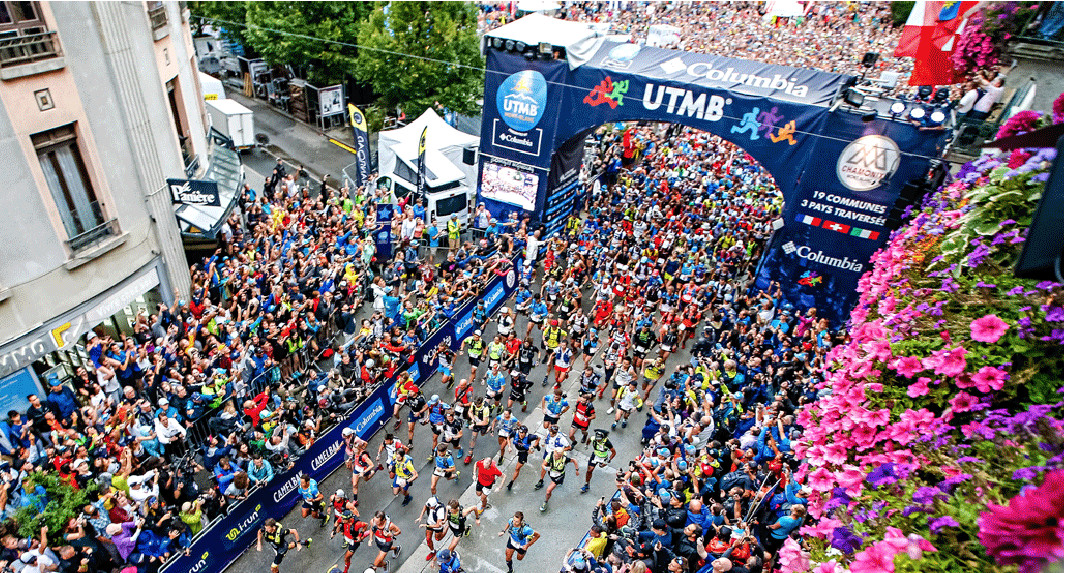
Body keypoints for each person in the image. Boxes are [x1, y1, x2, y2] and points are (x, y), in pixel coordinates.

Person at [581, 429, 616, 493]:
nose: (597, 440)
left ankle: (601, 464)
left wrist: (607, 461)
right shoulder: (594, 438)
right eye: (597, 439)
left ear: (603, 438)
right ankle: (586, 484)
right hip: (595, 456)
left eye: (599, 439)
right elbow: (589, 439)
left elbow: (614, 453)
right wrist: (586, 445)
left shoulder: (607, 443)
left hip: (603, 457)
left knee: (601, 466)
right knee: (589, 470)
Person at [505, 425, 539, 490]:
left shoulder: (529, 437)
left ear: (525, 433)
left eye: (523, 433)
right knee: (517, 468)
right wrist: (509, 446)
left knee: (517, 468)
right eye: (520, 432)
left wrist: (534, 446)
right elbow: (508, 437)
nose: (521, 434)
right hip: (519, 450)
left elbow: (538, 438)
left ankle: (511, 482)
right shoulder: (515, 433)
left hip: (524, 453)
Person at [417, 496, 448, 562]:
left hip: (437, 525)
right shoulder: (430, 503)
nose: (429, 508)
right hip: (430, 523)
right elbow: (425, 506)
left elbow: (437, 525)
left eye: (430, 507)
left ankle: (446, 527)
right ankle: (433, 552)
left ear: (434, 506)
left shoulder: (440, 511)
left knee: (438, 538)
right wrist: (420, 516)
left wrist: (426, 525)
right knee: (428, 539)